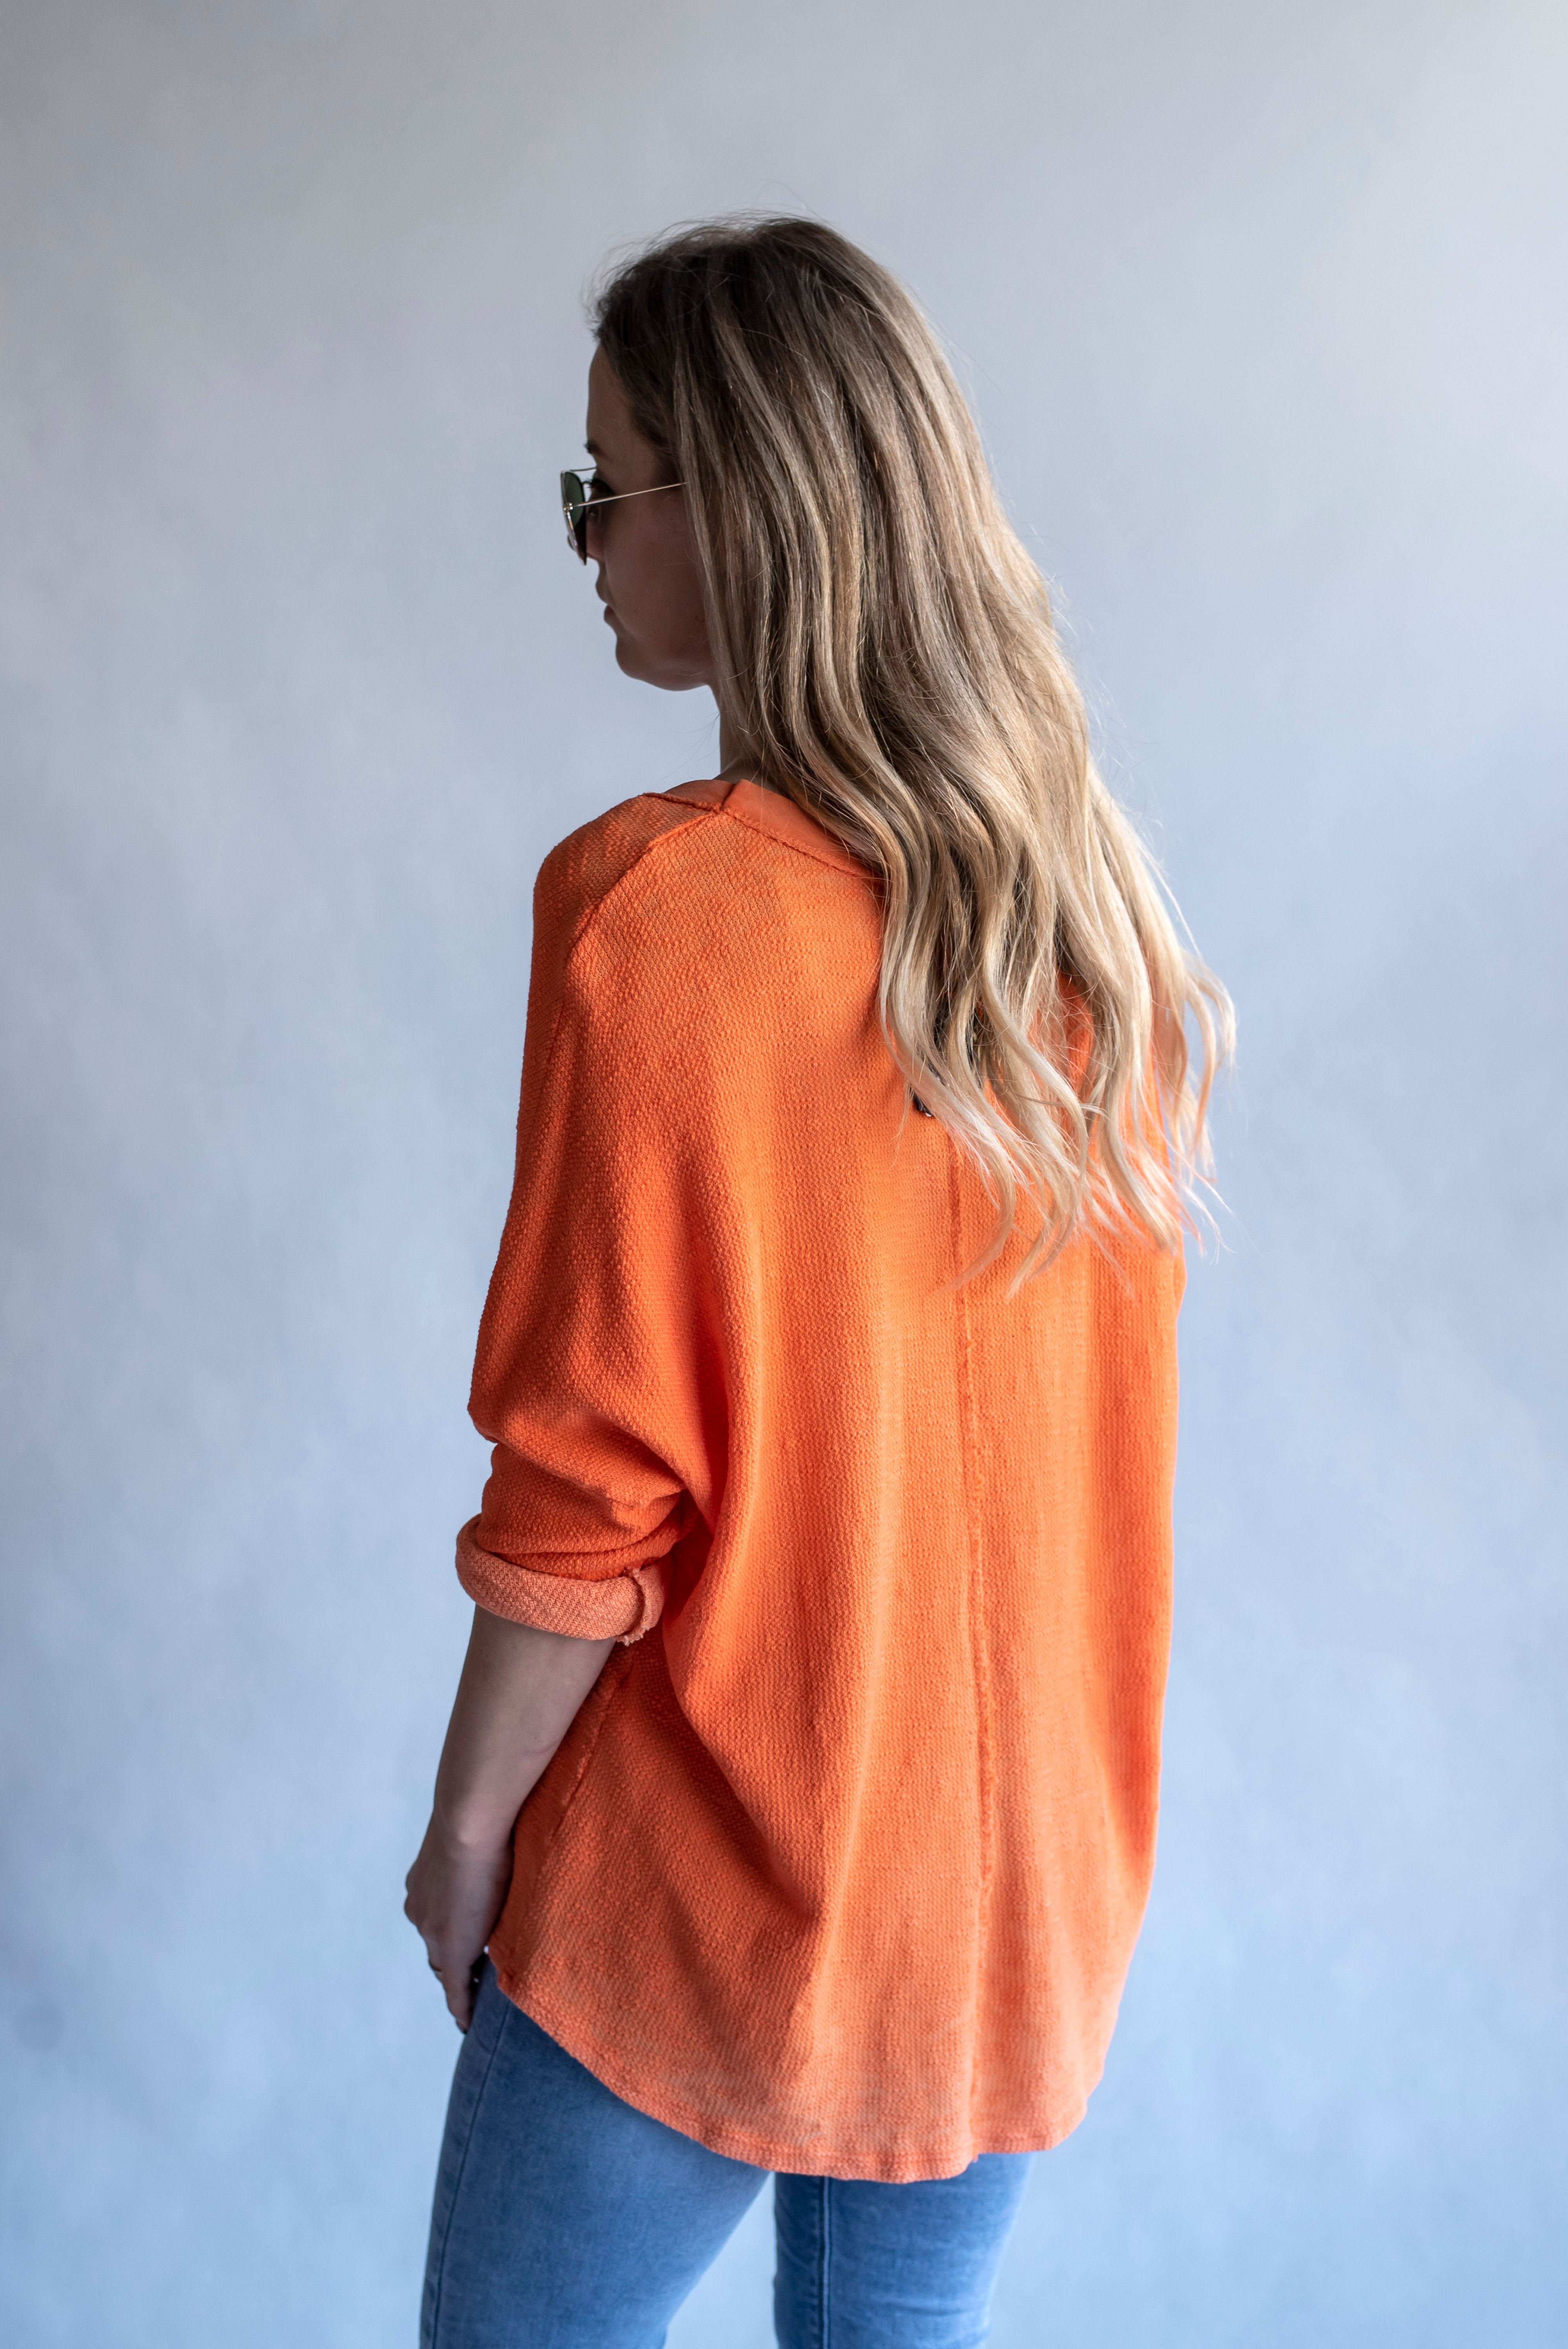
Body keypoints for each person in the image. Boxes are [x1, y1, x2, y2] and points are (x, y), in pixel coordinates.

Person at [404, 214, 1231, 2349]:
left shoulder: (659, 921)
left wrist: (469, 1827)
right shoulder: (1090, 935)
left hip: (707, 1889)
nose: (587, 544)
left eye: (609, 487)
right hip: (1013, 1909)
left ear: (745, 506)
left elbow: (590, 1487)